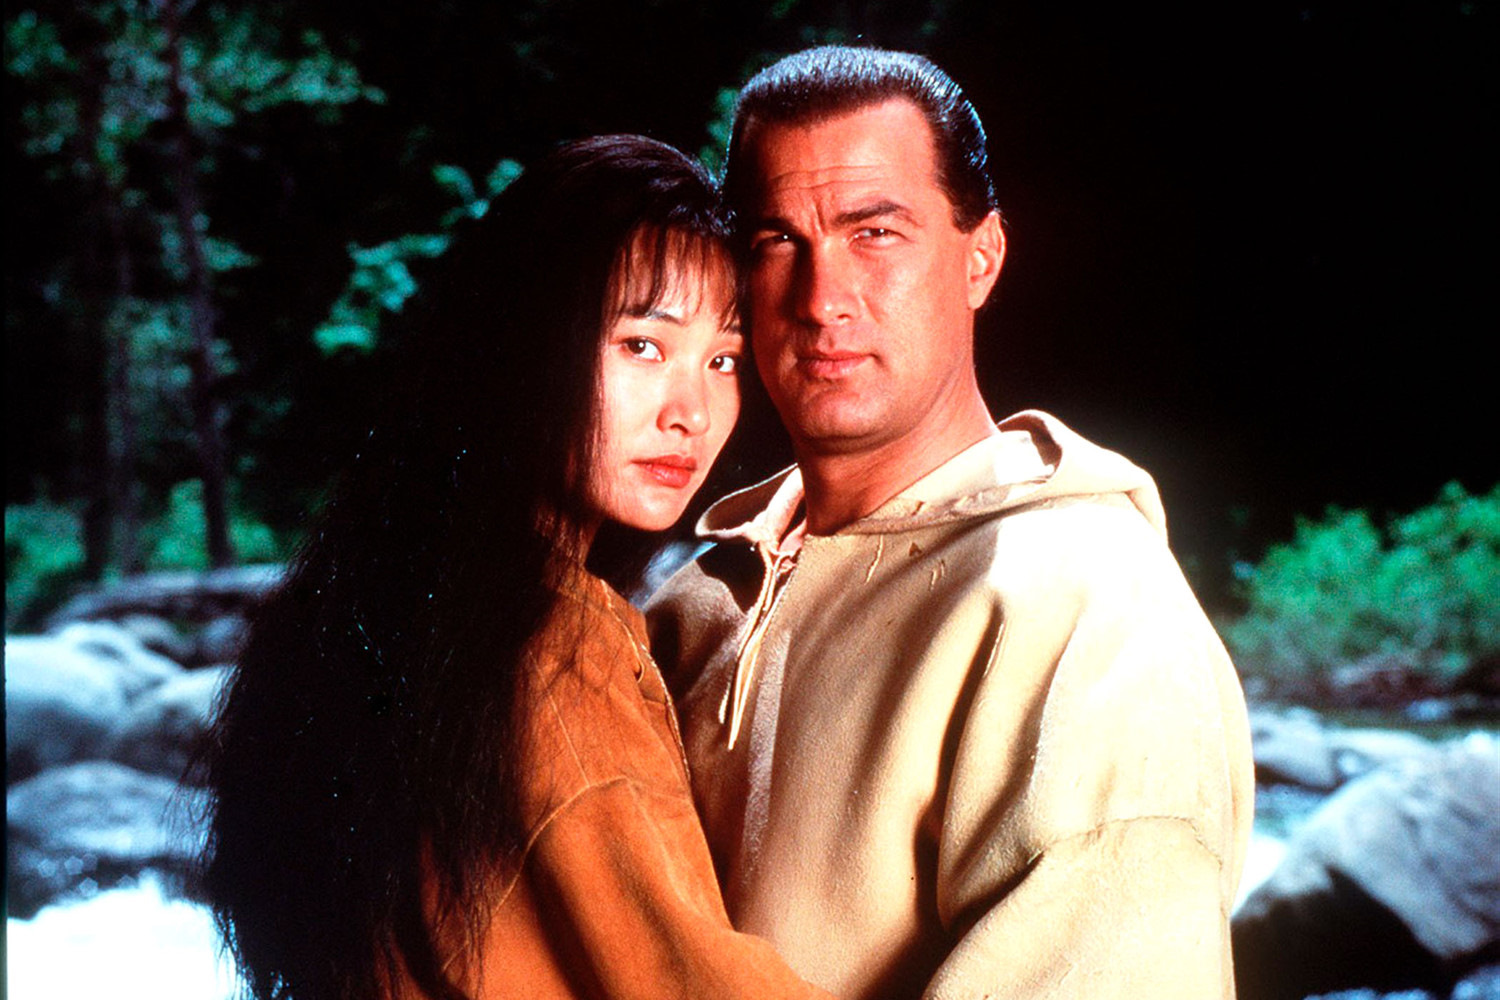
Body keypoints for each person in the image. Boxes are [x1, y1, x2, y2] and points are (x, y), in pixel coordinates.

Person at [646, 46, 1257, 999]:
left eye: (876, 233)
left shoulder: (1092, 614)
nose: (822, 299)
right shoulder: (693, 608)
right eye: (776, 242)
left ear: (982, 257)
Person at [203, 135, 832, 1000]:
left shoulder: (368, 607)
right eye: (642, 346)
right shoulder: (558, 645)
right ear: (524, 344)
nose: (691, 411)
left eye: (722, 360)